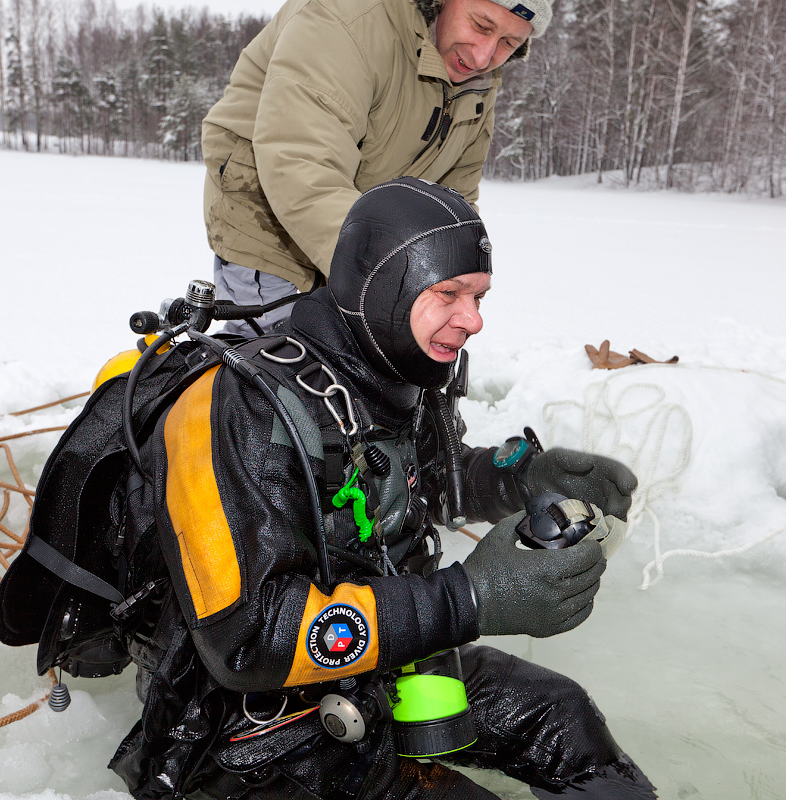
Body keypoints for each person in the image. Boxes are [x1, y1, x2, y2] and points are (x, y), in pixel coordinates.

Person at [104, 177, 656, 800]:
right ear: (382, 285)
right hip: (248, 732)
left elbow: (415, 486)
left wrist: (519, 476)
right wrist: (466, 600)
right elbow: (251, 638)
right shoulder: (242, 410)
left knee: (563, 716)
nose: (472, 320)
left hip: (380, 664)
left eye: (478, 296)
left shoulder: (393, 369)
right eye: (449, 293)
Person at [202, 0, 554, 334]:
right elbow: (299, 161)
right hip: (268, 215)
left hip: (372, 231)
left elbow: (454, 193)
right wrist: (394, 277)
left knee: (372, 366)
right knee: (283, 364)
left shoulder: (477, 72)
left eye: (509, 42)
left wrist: (452, 279)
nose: (483, 56)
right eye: (480, 25)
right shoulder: (348, 18)